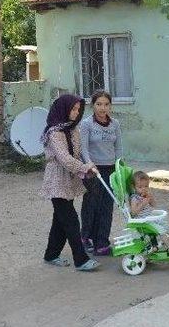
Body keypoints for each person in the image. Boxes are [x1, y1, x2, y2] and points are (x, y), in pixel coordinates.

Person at [39, 94, 100, 271]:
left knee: (60, 220)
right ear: (63, 109)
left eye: (78, 109)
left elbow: (79, 153)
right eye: (73, 109)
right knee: (71, 220)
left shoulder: (73, 130)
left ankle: (51, 255)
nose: (76, 112)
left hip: (70, 179)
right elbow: (64, 158)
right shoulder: (54, 133)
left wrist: (89, 165)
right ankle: (80, 260)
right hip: (57, 180)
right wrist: (83, 168)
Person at [80, 90, 123, 256]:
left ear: (110, 106)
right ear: (93, 106)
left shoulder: (115, 124)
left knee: (107, 206)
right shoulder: (86, 124)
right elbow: (83, 148)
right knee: (92, 205)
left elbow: (118, 147)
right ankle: (86, 238)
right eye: (99, 104)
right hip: (93, 170)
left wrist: (120, 166)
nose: (102, 108)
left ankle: (102, 243)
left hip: (111, 169)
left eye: (106, 104)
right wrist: (88, 164)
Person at [130, 171, 169, 253]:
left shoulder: (146, 195)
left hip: (149, 217)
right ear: (134, 187)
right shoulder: (134, 198)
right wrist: (142, 204)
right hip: (142, 221)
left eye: (146, 186)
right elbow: (133, 213)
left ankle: (168, 241)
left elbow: (154, 205)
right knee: (160, 229)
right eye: (140, 187)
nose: (143, 189)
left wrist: (150, 198)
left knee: (165, 225)